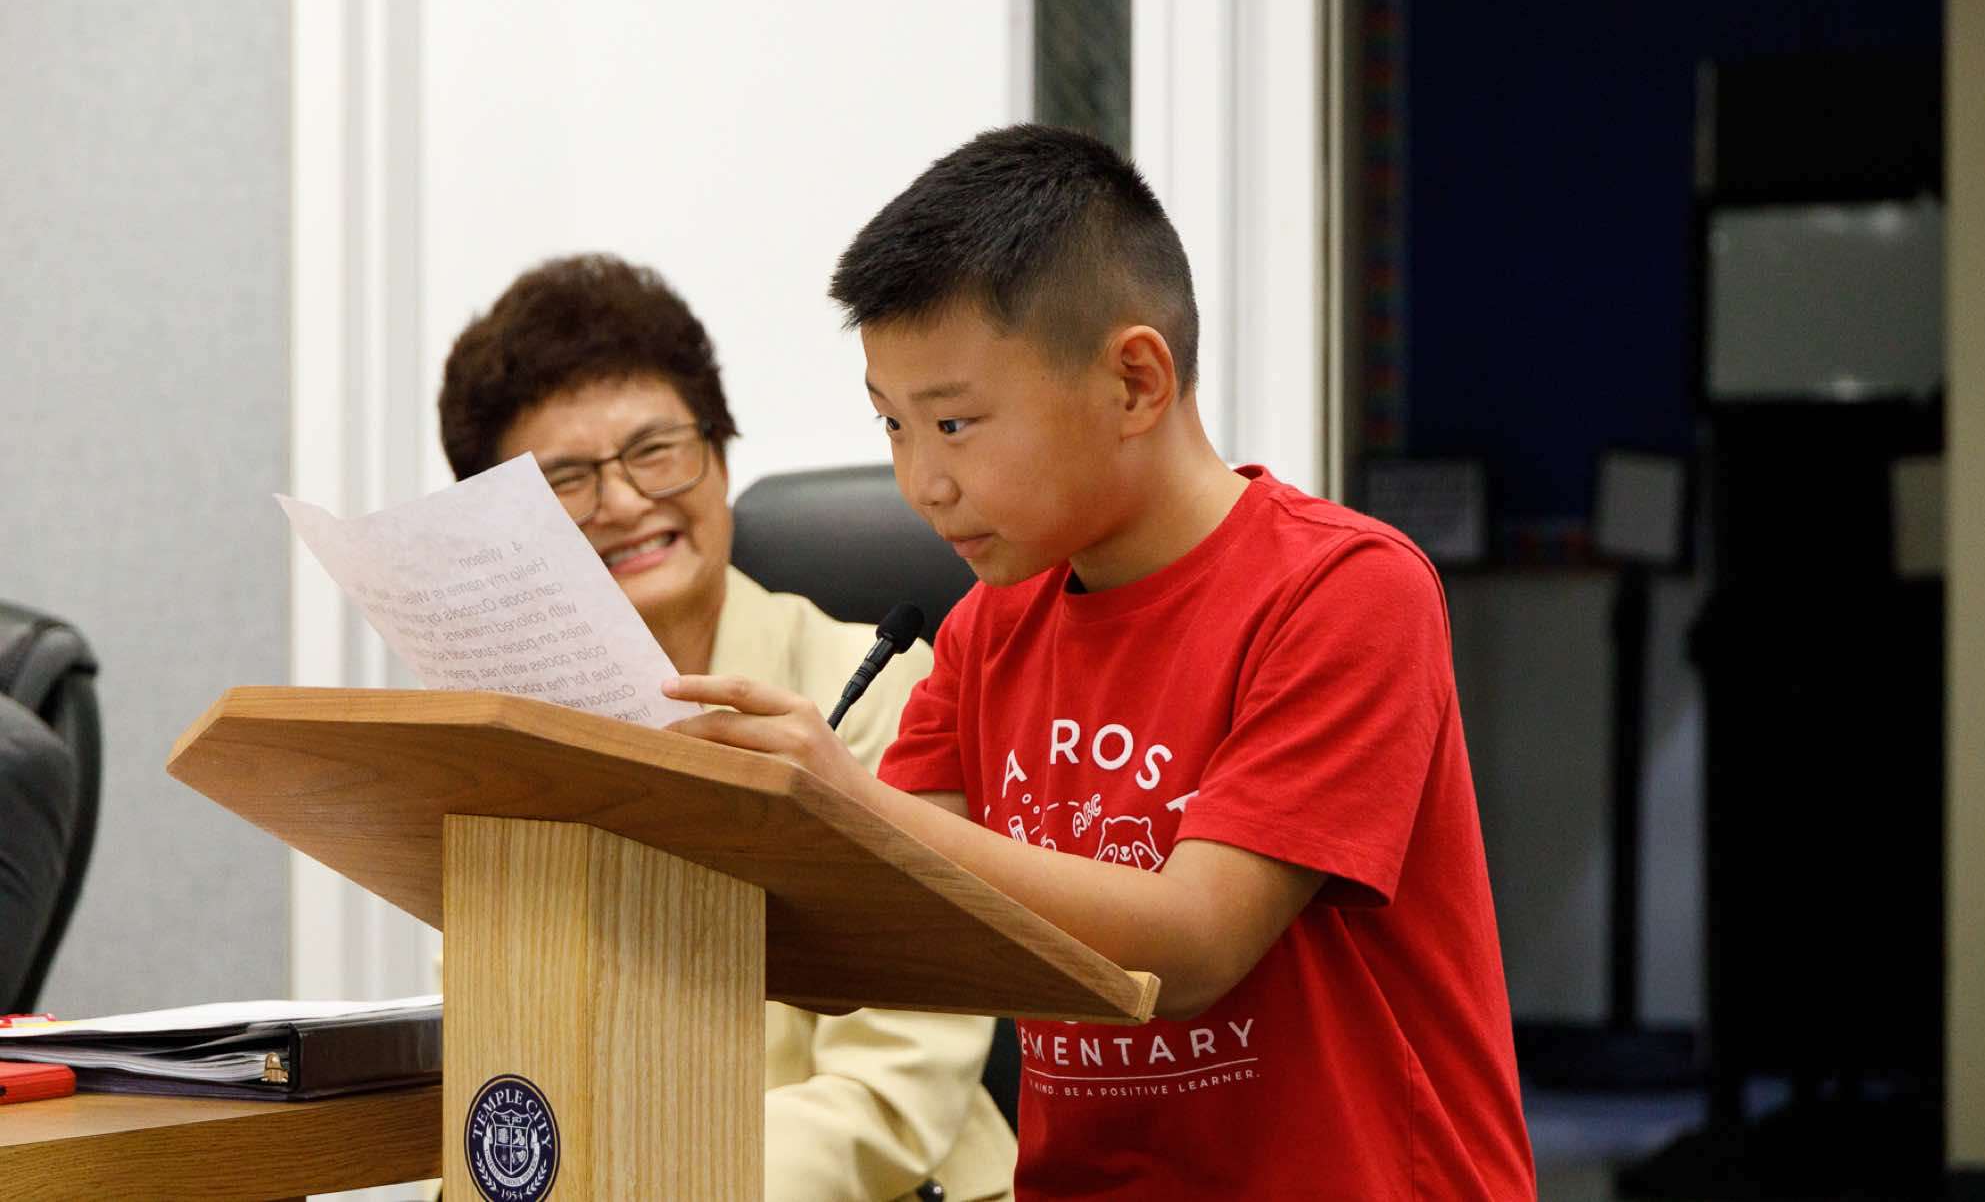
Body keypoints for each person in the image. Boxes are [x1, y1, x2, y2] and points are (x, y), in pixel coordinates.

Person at [663, 125, 1538, 1199]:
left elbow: (1193, 947)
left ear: (1134, 382)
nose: (922, 482)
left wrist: (849, 800)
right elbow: (877, 944)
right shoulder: (990, 627)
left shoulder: (1343, 590)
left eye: (953, 422)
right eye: (892, 425)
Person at [437, 253, 1017, 1202]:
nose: (625, 502)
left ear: (720, 450)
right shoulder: (514, 744)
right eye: (566, 479)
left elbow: (892, 1094)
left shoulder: (886, 693)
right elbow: (501, 1053)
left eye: (655, 449)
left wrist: (638, 1183)